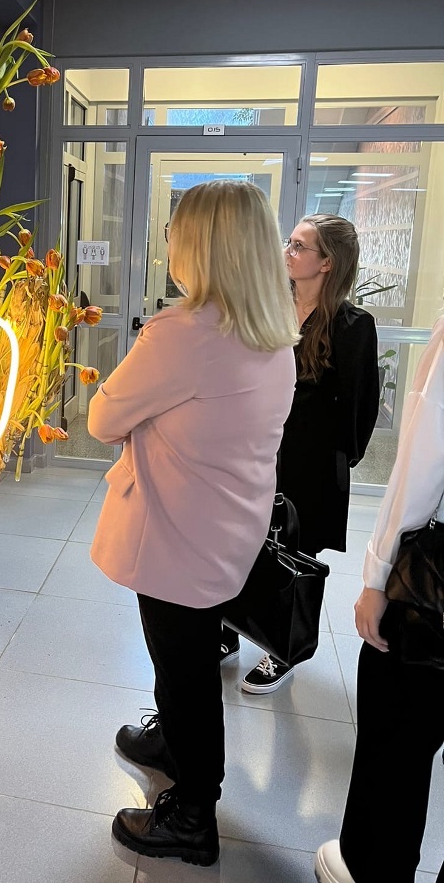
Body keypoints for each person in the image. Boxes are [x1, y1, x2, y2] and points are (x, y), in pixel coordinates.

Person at [87, 180, 299, 864]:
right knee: (186, 654)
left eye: (176, 231)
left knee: (185, 670)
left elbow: (102, 419)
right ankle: (171, 746)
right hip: (228, 529)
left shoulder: (183, 335)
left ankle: (192, 815)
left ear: (199, 247)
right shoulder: (275, 332)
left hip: (177, 536)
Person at [316, 314, 444, 883]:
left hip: (433, 587)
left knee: (396, 744)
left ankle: (371, 870)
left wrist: (379, 575)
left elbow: (423, 463)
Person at [238, 214, 380, 694]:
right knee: (241, 544)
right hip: (257, 452)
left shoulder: (352, 326)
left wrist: (336, 460)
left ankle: (283, 649)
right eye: (290, 242)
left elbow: (360, 407)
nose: (288, 252)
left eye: (300, 246)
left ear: (327, 263)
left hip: (311, 464)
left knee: (293, 558)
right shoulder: (271, 308)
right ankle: (229, 630)